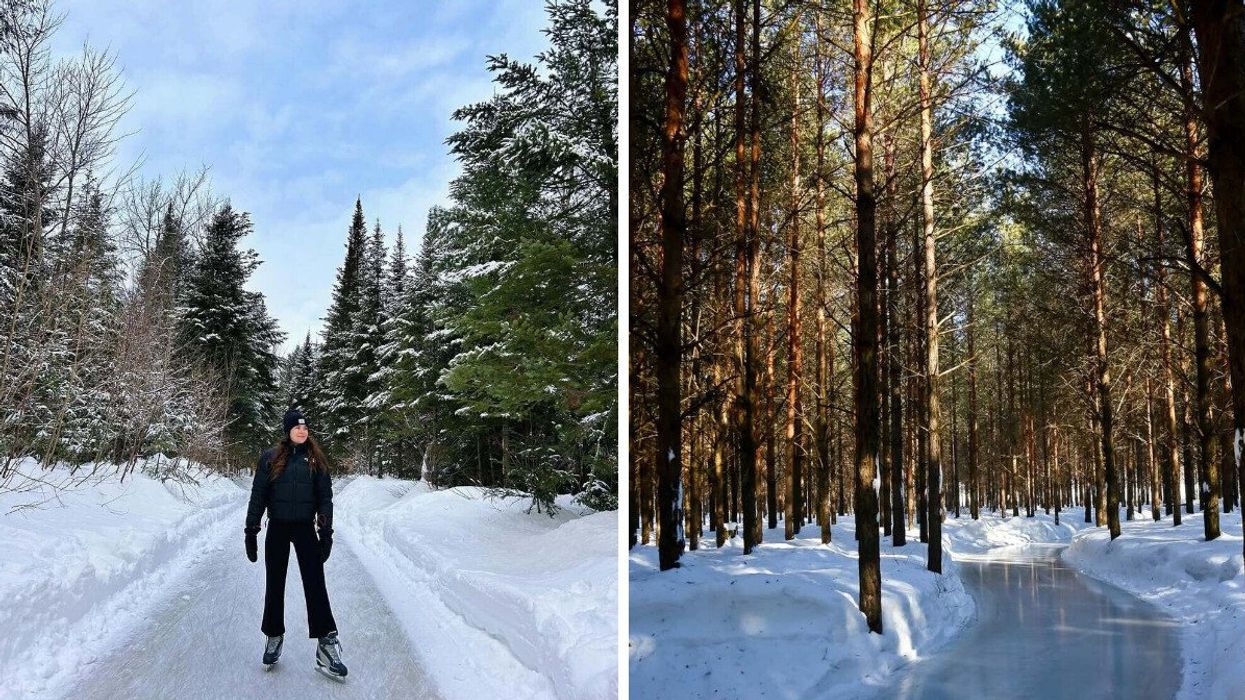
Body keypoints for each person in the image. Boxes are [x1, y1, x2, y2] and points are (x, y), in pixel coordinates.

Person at [244, 408, 348, 679]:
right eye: (296, 427)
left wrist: (325, 534)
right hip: (277, 527)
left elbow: (325, 499)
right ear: (287, 430)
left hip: (304, 529)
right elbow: (258, 495)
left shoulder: (316, 460)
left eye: (305, 427)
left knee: (315, 583)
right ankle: (274, 635)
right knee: (274, 583)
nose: (302, 431)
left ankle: (326, 642)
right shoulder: (270, 458)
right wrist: (251, 530)